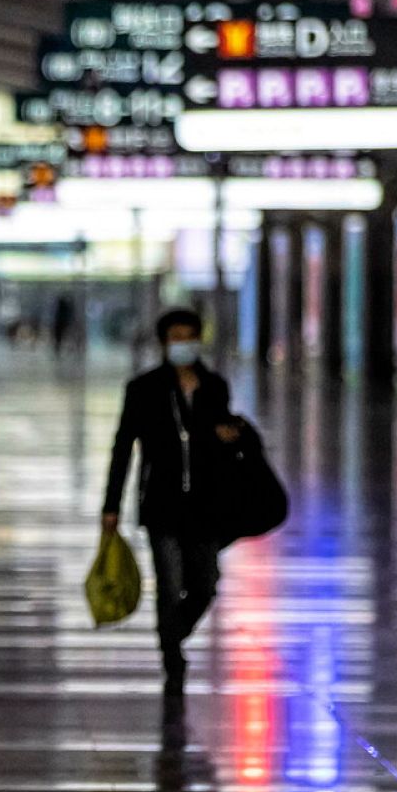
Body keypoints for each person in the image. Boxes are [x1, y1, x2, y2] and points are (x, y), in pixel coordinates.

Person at [102, 308, 241, 739]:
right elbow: (123, 447)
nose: (183, 343)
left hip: (205, 505)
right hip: (160, 503)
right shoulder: (144, 389)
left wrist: (230, 436)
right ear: (163, 342)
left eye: (190, 335)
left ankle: (173, 632)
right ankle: (172, 657)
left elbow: (228, 438)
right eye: (175, 337)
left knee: (204, 583)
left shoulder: (215, 386)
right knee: (168, 581)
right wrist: (111, 506)